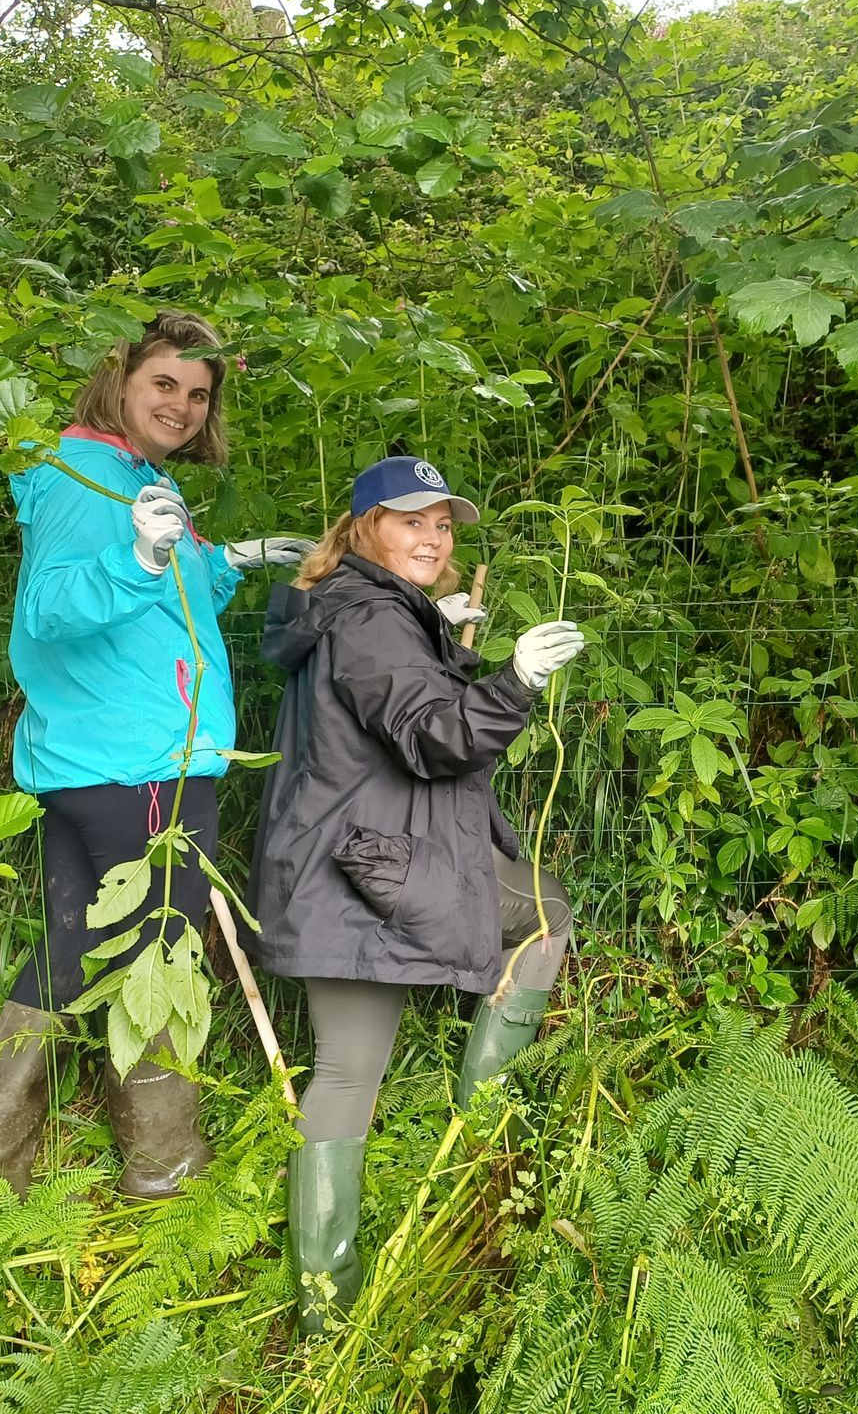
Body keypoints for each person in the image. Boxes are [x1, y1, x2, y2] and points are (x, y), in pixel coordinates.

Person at [0, 311, 314, 1209]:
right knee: (165, 956)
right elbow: (54, 612)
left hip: (100, 758)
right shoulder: (86, 477)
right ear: (121, 378)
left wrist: (219, 559)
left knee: (70, 954)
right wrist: (143, 557)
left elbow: (159, 605)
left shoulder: (133, 477)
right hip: (138, 762)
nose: (182, 405)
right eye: (165, 384)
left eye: (198, 394)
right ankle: (164, 1165)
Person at [249, 454, 585, 1332]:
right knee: (353, 1069)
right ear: (366, 528)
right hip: (363, 874)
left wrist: (433, 626)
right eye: (411, 522)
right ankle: (483, 1143)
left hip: (349, 865)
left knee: (536, 912)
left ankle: (332, 1305)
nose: (433, 538)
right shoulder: (367, 618)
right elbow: (433, 736)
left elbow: (384, 695)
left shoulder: (361, 609)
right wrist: (516, 680)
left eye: (442, 525)